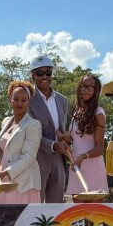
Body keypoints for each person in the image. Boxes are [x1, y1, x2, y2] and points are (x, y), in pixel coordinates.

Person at [0, 81, 42, 204]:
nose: (19, 103)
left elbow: (29, 156)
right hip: (4, 180)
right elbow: (4, 149)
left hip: (24, 184)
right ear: (10, 100)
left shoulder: (34, 125)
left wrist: (6, 172)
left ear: (28, 102)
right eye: (16, 99)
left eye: (23, 100)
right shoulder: (5, 121)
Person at [27, 55, 69, 203]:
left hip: (58, 158)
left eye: (48, 73)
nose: (44, 76)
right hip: (36, 158)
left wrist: (64, 136)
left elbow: (58, 128)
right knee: (35, 204)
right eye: (40, 73)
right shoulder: (26, 99)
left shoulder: (62, 100)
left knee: (56, 205)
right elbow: (29, 132)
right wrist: (53, 144)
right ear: (33, 76)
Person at [62, 73, 108, 196]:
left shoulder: (98, 113)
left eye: (90, 87)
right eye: (83, 86)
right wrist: (65, 137)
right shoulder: (77, 113)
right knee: (77, 212)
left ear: (96, 90)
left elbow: (99, 148)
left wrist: (82, 157)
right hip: (76, 167)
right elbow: (77, 138)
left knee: (95, 213)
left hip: (92, 167)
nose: (86, 89)